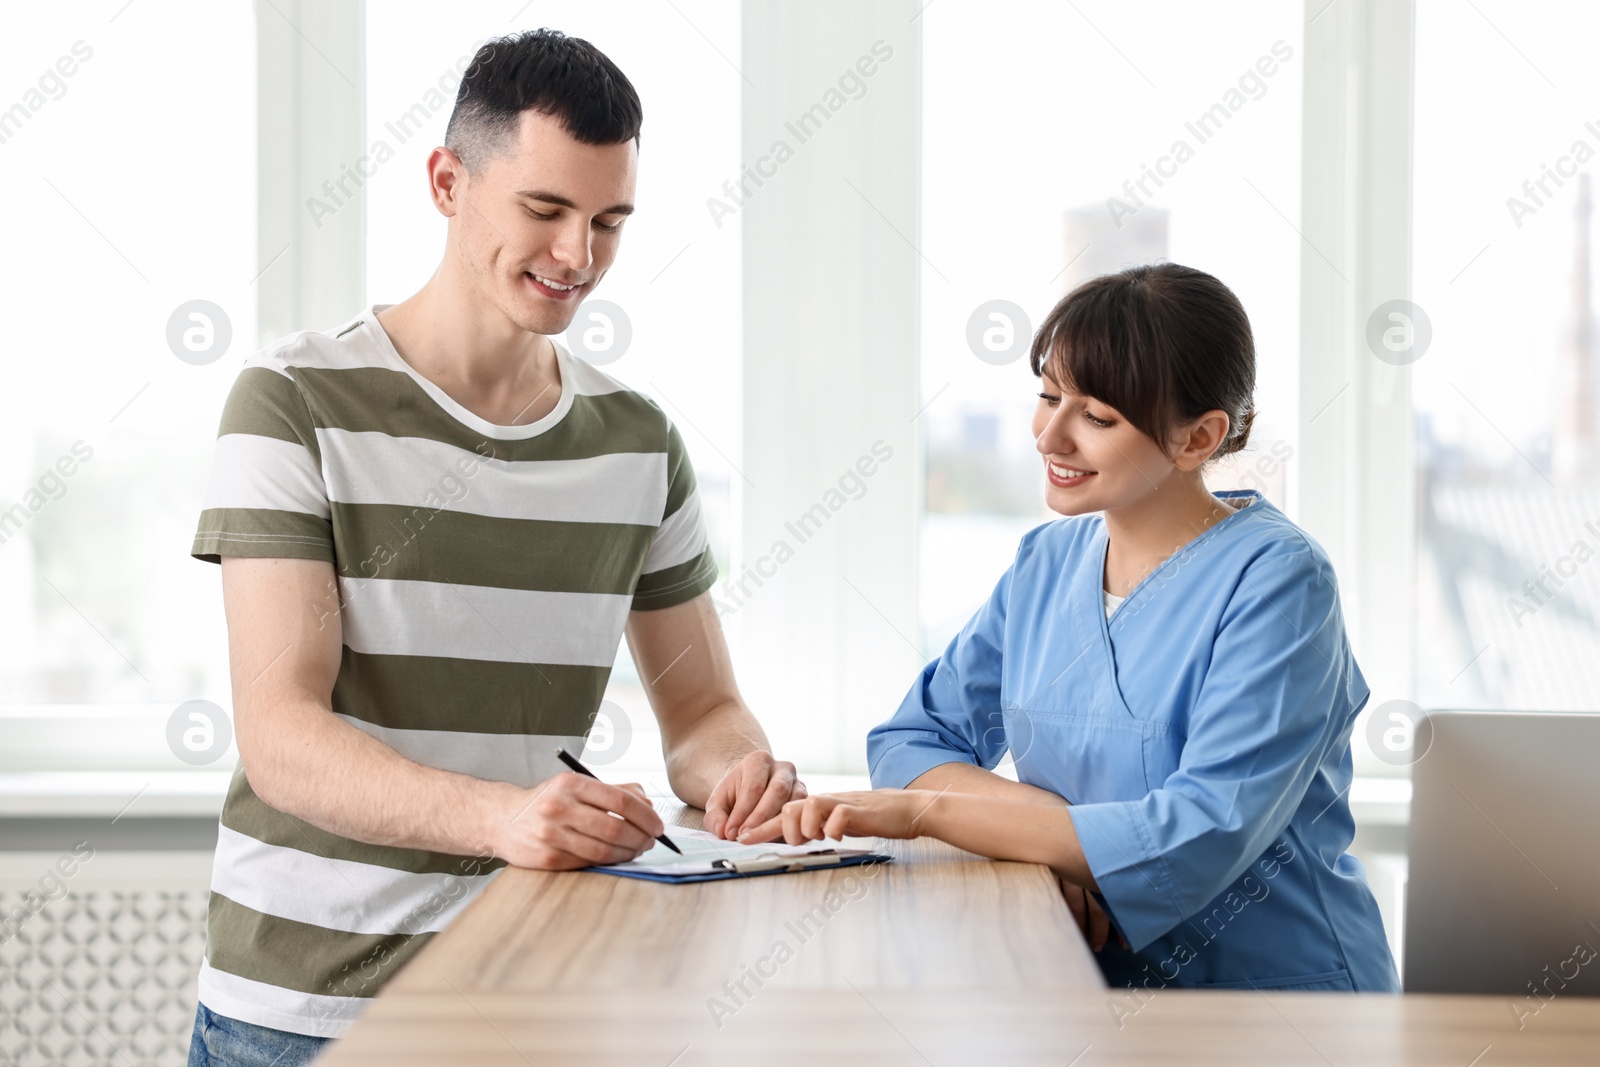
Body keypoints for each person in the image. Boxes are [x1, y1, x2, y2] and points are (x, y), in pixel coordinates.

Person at [185, 28, 804, 1064]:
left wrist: (739, 771)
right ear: (446, 181)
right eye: (546, 210)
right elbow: (281, 731)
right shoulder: (291, 402)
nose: (579, 257)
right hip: (301, 1015)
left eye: (609, 221)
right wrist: (507, 817)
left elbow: (699, 711)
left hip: (528, 994)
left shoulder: (639, 443)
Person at [742, 263, 1400, 994]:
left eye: (1096, 417)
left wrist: (930, 811)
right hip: (1086, 981)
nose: (1049, 436)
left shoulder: (1280, 582)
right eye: (1049, 397)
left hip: (1276, 1005)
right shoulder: (1047, 563)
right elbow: (910, 741)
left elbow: (1198, 833)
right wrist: (1050, 832)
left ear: (1198, 437)